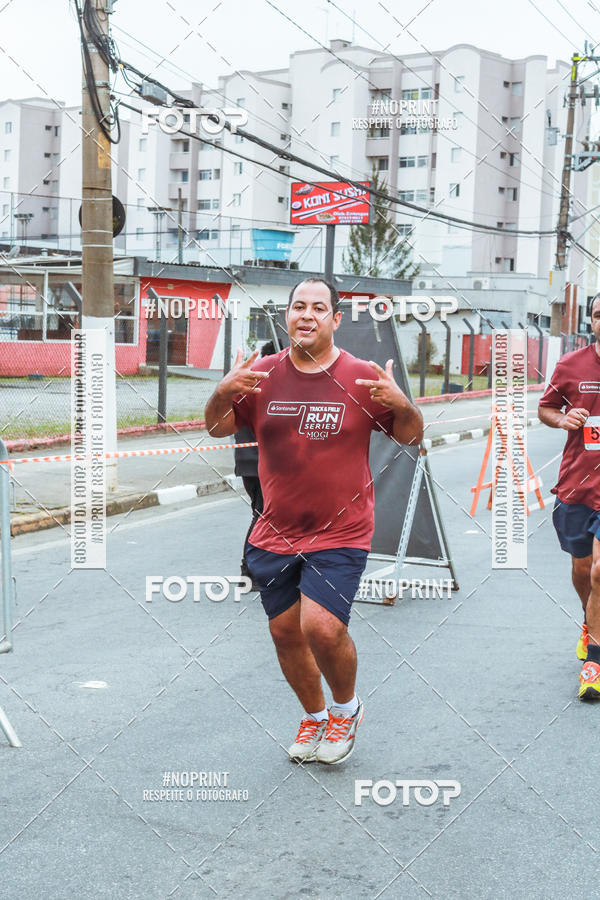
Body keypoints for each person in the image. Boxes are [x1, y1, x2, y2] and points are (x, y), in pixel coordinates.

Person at [205, 277, 423, 763]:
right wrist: (221, 392)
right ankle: (314, 716)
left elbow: (410, 437)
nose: (307, 315)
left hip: (341, 530)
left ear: (335, 319)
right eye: (298, 306)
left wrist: (402, 405)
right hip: (274, 531)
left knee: (321, 628)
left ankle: (346, 709)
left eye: (318, 308)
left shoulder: (361, 376)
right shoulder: (262, 374)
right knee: (284, 633)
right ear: (287, 316)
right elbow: (217, 427)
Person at [538, 293, 600, 700]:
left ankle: (593, 663)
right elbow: (545, 408)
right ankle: (590, 622)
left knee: (599, 572)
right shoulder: (571, 365)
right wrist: (563, 419)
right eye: (598, 314)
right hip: (578, 485)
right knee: (582, 572)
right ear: (591, 321)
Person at [234, 340, 277, 584]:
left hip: (247, 462)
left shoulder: (249, 380)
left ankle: (260, 568)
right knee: (261, 516)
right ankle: (248, 570)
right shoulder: (265, 384)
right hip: (260, 463)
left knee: (262, 515)